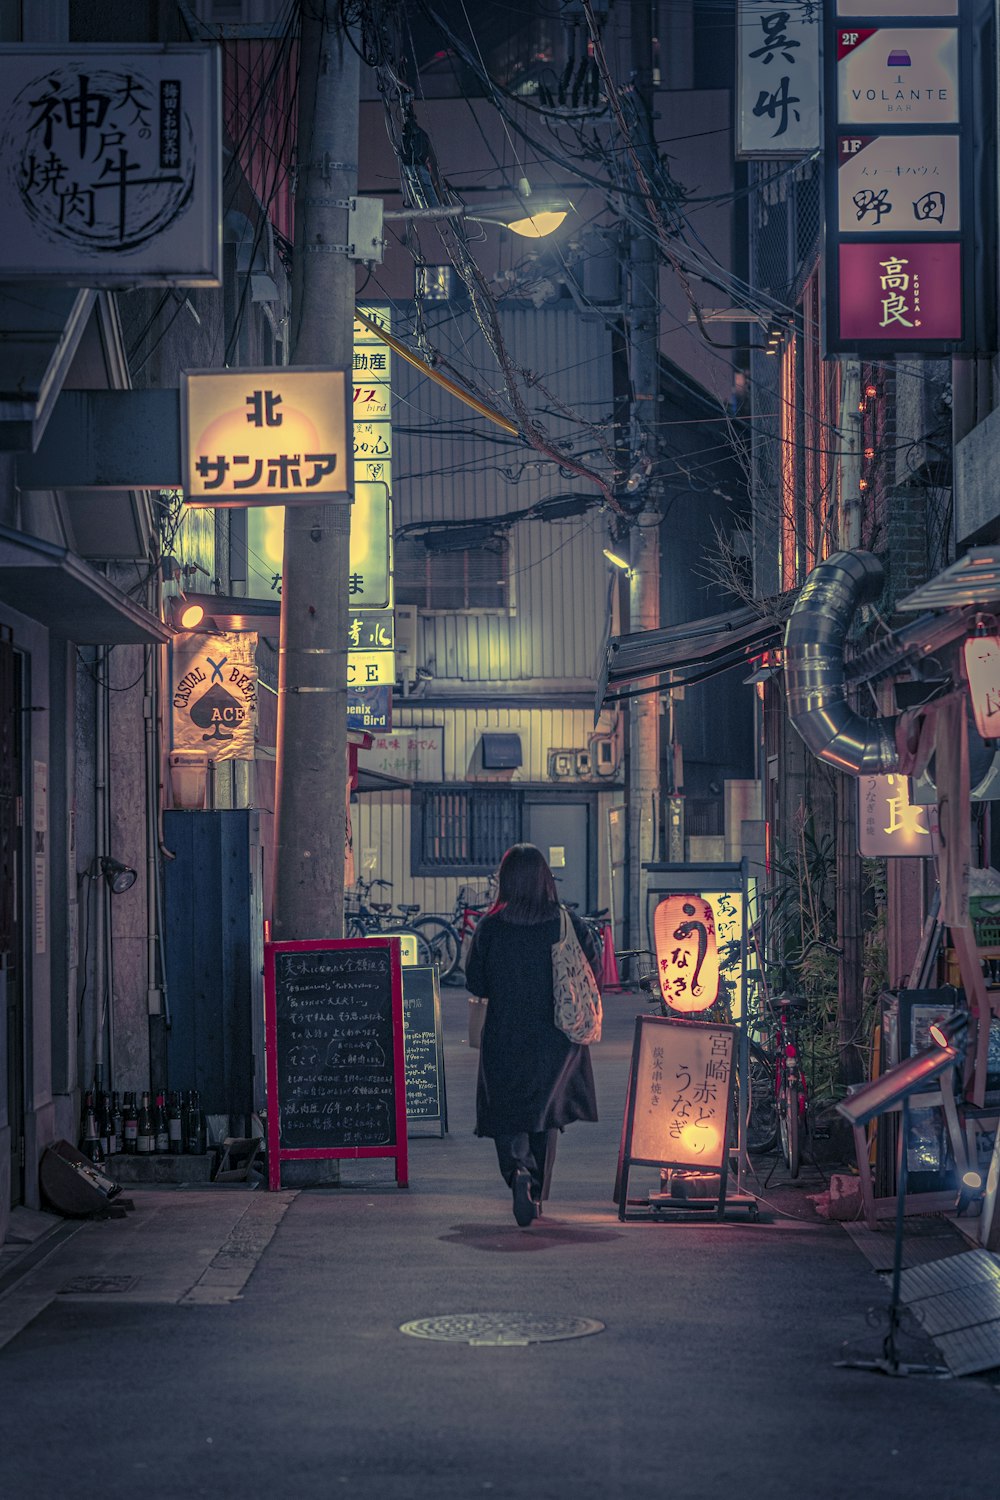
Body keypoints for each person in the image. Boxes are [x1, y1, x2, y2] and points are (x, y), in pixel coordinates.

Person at [464, 843, 600, 1227]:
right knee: (545, 1115)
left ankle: (517, 1171)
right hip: (556, 1036)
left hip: (505, 1033)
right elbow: (590, 973)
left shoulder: (490, 926)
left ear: (505, 881)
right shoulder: (566, 922)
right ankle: (536, 1193)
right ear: (545, 879)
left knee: (506, 1111)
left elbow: (476, 982)